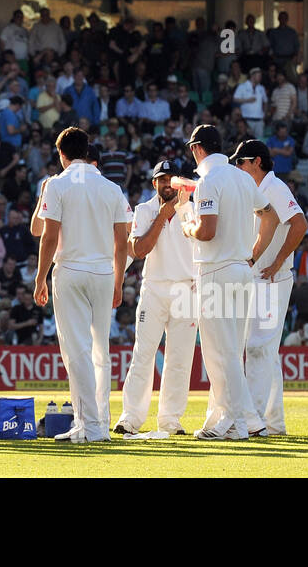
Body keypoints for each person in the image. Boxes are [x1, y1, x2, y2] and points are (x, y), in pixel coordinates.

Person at [33, 127, 132, 443]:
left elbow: (48, 236)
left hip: (71, 272)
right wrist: (119, 280)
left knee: (77, 350)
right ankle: (96, 422)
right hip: (103, 273)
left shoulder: (57, 185)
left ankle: (89, 425)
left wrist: (40, 278)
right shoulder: (111, 188)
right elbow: (122, 242)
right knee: (100, 350)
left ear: (61, 154)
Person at [180, 124, 271, 440]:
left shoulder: (208, 181)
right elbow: (269, 215)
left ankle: (230, 424)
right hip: (242, 271)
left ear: (197, 149)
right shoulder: (242, 178)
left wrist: (188, 228)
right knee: (231, 351)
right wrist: (253, 254)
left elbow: (207, 232)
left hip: (216, 272)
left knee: (220, 354)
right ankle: (246, 421)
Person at [115, 160, 198, 437]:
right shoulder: (144, 209)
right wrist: (162, 215)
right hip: (155, 288)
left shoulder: (192, 209)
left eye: (171, 179)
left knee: (179, 358)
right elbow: (138, 250)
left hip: (187, 289)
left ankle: (171, 420)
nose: (166, 184)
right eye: (162, 179)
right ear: (154, 183)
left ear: (178, 182)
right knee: (143, 353)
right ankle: (130, 417)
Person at [232, 139, 307, 437]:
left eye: (242, 162)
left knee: (259, 348)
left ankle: (256, 421)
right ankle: (274, 423)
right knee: (267, 350)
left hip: (271, 278)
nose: (238, 166)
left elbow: (300, 224)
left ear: (257, 162)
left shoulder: (274, 188)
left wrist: (277, 261)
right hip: (260, 277)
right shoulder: (257, 189)